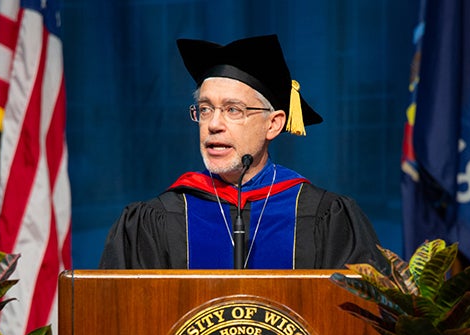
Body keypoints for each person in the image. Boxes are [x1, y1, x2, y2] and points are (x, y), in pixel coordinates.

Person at [99, 34, 385, 270]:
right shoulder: (156, 220)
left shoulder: (325, 217)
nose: (213, 124)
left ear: (273, 125)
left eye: (233, 110)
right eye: (205, 109)